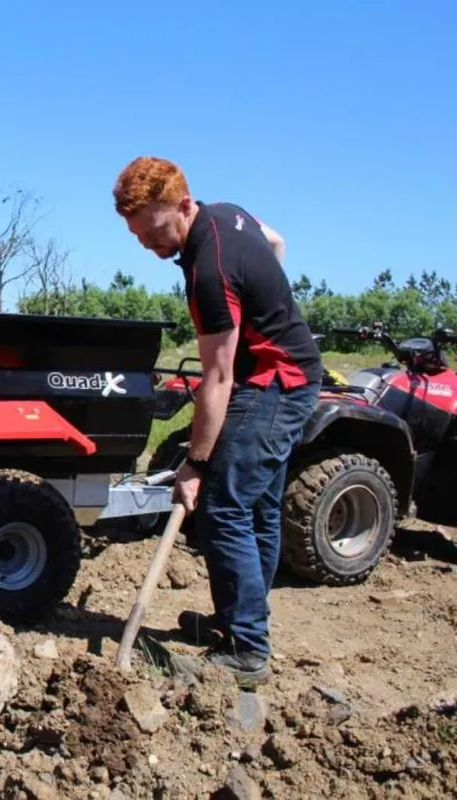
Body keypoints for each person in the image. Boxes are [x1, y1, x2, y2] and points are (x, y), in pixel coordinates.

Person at [112, 156, 322, 686]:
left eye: (152, 231)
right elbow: (274, 242)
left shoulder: (210, 269)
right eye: (136, 234)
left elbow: (217, 378)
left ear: (183, 206)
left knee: (224, 507)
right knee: (258, 508)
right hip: (289, 372)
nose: (145, 245)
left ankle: (247, 650)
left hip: (275, 383)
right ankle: (237, 622)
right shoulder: (228, 215)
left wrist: (195, 464)